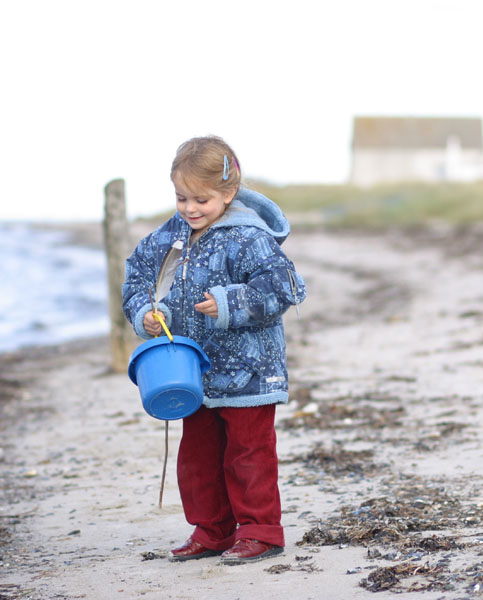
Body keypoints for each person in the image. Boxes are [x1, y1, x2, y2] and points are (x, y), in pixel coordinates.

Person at [122, 135, 306, 564]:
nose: (189, 209)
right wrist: (146, 312)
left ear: (228, 192)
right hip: (190, 372)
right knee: (198, 458)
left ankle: (260, 530)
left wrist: (229, 303)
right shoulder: (170, 236)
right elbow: (137, 276)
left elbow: (286, 287)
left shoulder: (248, 237)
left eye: (201, 199)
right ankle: (212, 530)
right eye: (181, 197)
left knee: (248, 453)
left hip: (250, 370)